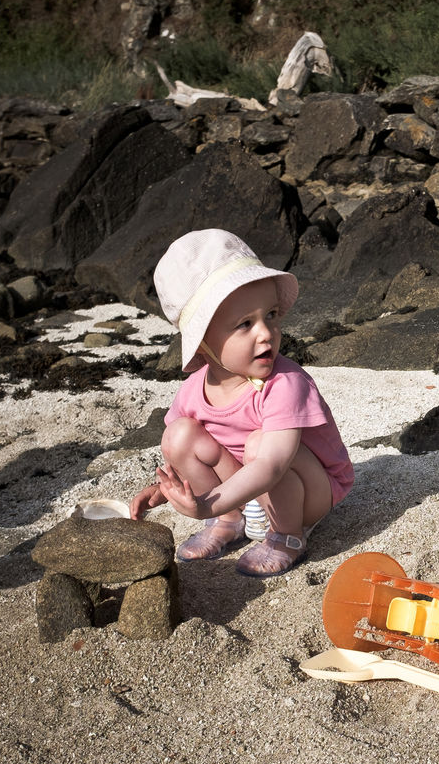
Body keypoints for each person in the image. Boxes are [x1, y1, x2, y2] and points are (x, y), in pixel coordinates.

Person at [130, 229, 353, 577]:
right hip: (245, 488)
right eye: (245, 324)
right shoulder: (193, 390)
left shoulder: (285, 383)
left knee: (259, 444)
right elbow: (184, 457)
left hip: (309, 492)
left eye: (271, 315)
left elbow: (271, 466)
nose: (266, 333)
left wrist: (205, 505)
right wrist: (166, 489)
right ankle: (228, 520)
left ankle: (288, 536)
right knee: (178, 435)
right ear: (203, 343)